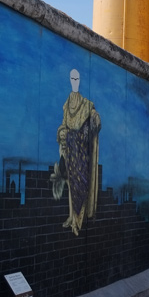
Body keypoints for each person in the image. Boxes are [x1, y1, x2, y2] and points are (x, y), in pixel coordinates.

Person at [50, 69, 101, 236]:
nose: (74, 81)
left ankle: (79, 221)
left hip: (82, 155)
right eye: (72, 78)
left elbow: (94, 122)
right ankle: (72, 218)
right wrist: (62, 133)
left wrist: (95, 118)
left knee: (81, 186)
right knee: (72, 186)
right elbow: (63, 126)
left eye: (77, 78)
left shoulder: (87, 104)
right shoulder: (66, 105)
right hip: (71, 152)